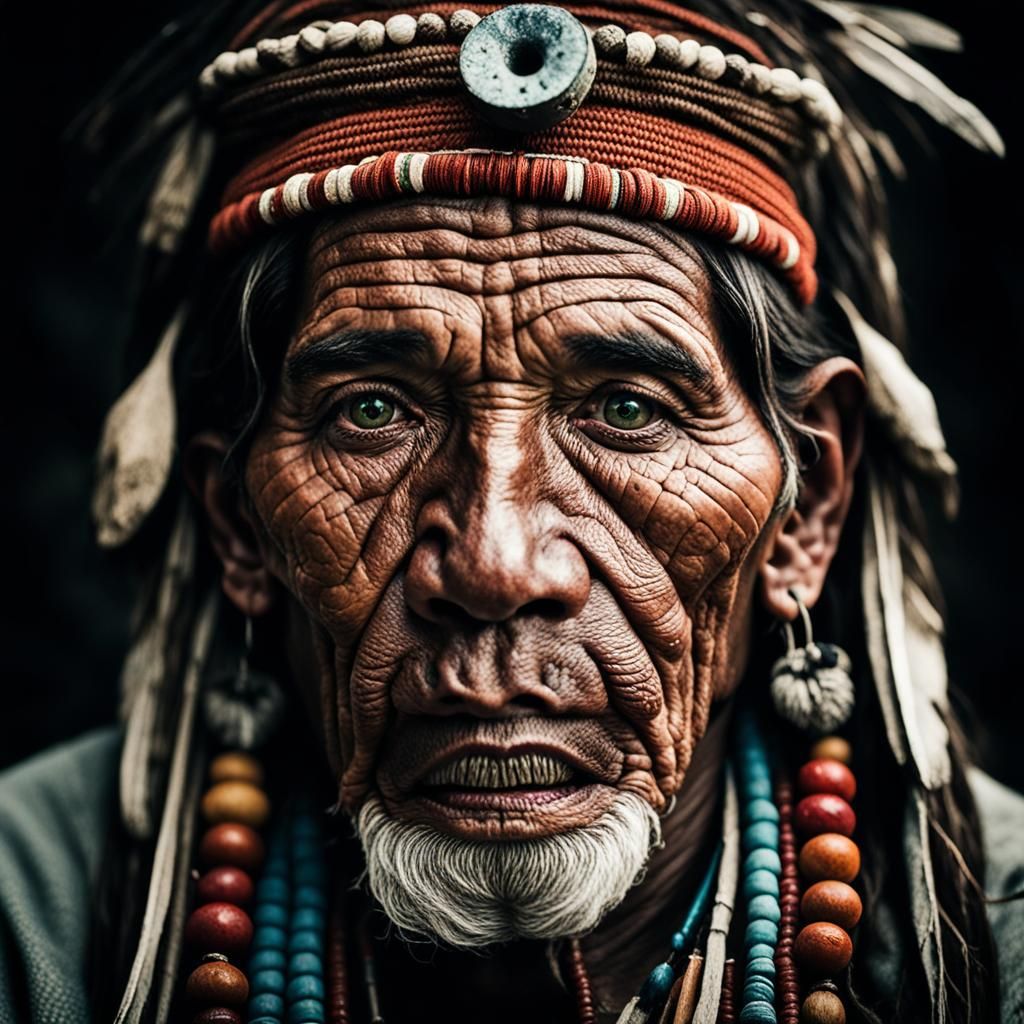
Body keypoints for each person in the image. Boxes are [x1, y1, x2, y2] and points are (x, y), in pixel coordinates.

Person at [1, 2, 1021, 1023]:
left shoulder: (1001, 941)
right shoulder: (31, 911)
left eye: (626, 410)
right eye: (372, 414)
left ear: (808, 505)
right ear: (236, 521)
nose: (496, 565)